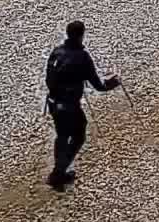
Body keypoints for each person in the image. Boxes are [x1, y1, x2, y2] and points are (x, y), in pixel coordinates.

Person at [43, 20, 120, 188]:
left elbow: (48, 79)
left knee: (62, 135)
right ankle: (58, 173)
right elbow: (99, 86)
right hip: (70, 105)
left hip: (53, 102)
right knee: (78, 135)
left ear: (68, 33)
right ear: (82, 35)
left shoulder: (56, 52)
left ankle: (59, 172)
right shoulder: (82, 57)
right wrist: (113, 83)